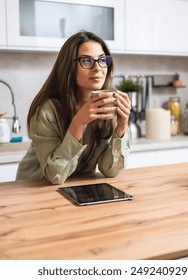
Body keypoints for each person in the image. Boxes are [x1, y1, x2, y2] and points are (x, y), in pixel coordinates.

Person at [16, 31, 131, 184]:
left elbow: (110, 170)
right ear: (69, 66)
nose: (98, 68)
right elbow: (54, 175)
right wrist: (78, 123)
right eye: (87, 61)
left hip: (75, 188)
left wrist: (122, 126)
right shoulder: (47, 112)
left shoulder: (109, 104)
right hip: (34, 187)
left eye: (102, 60)